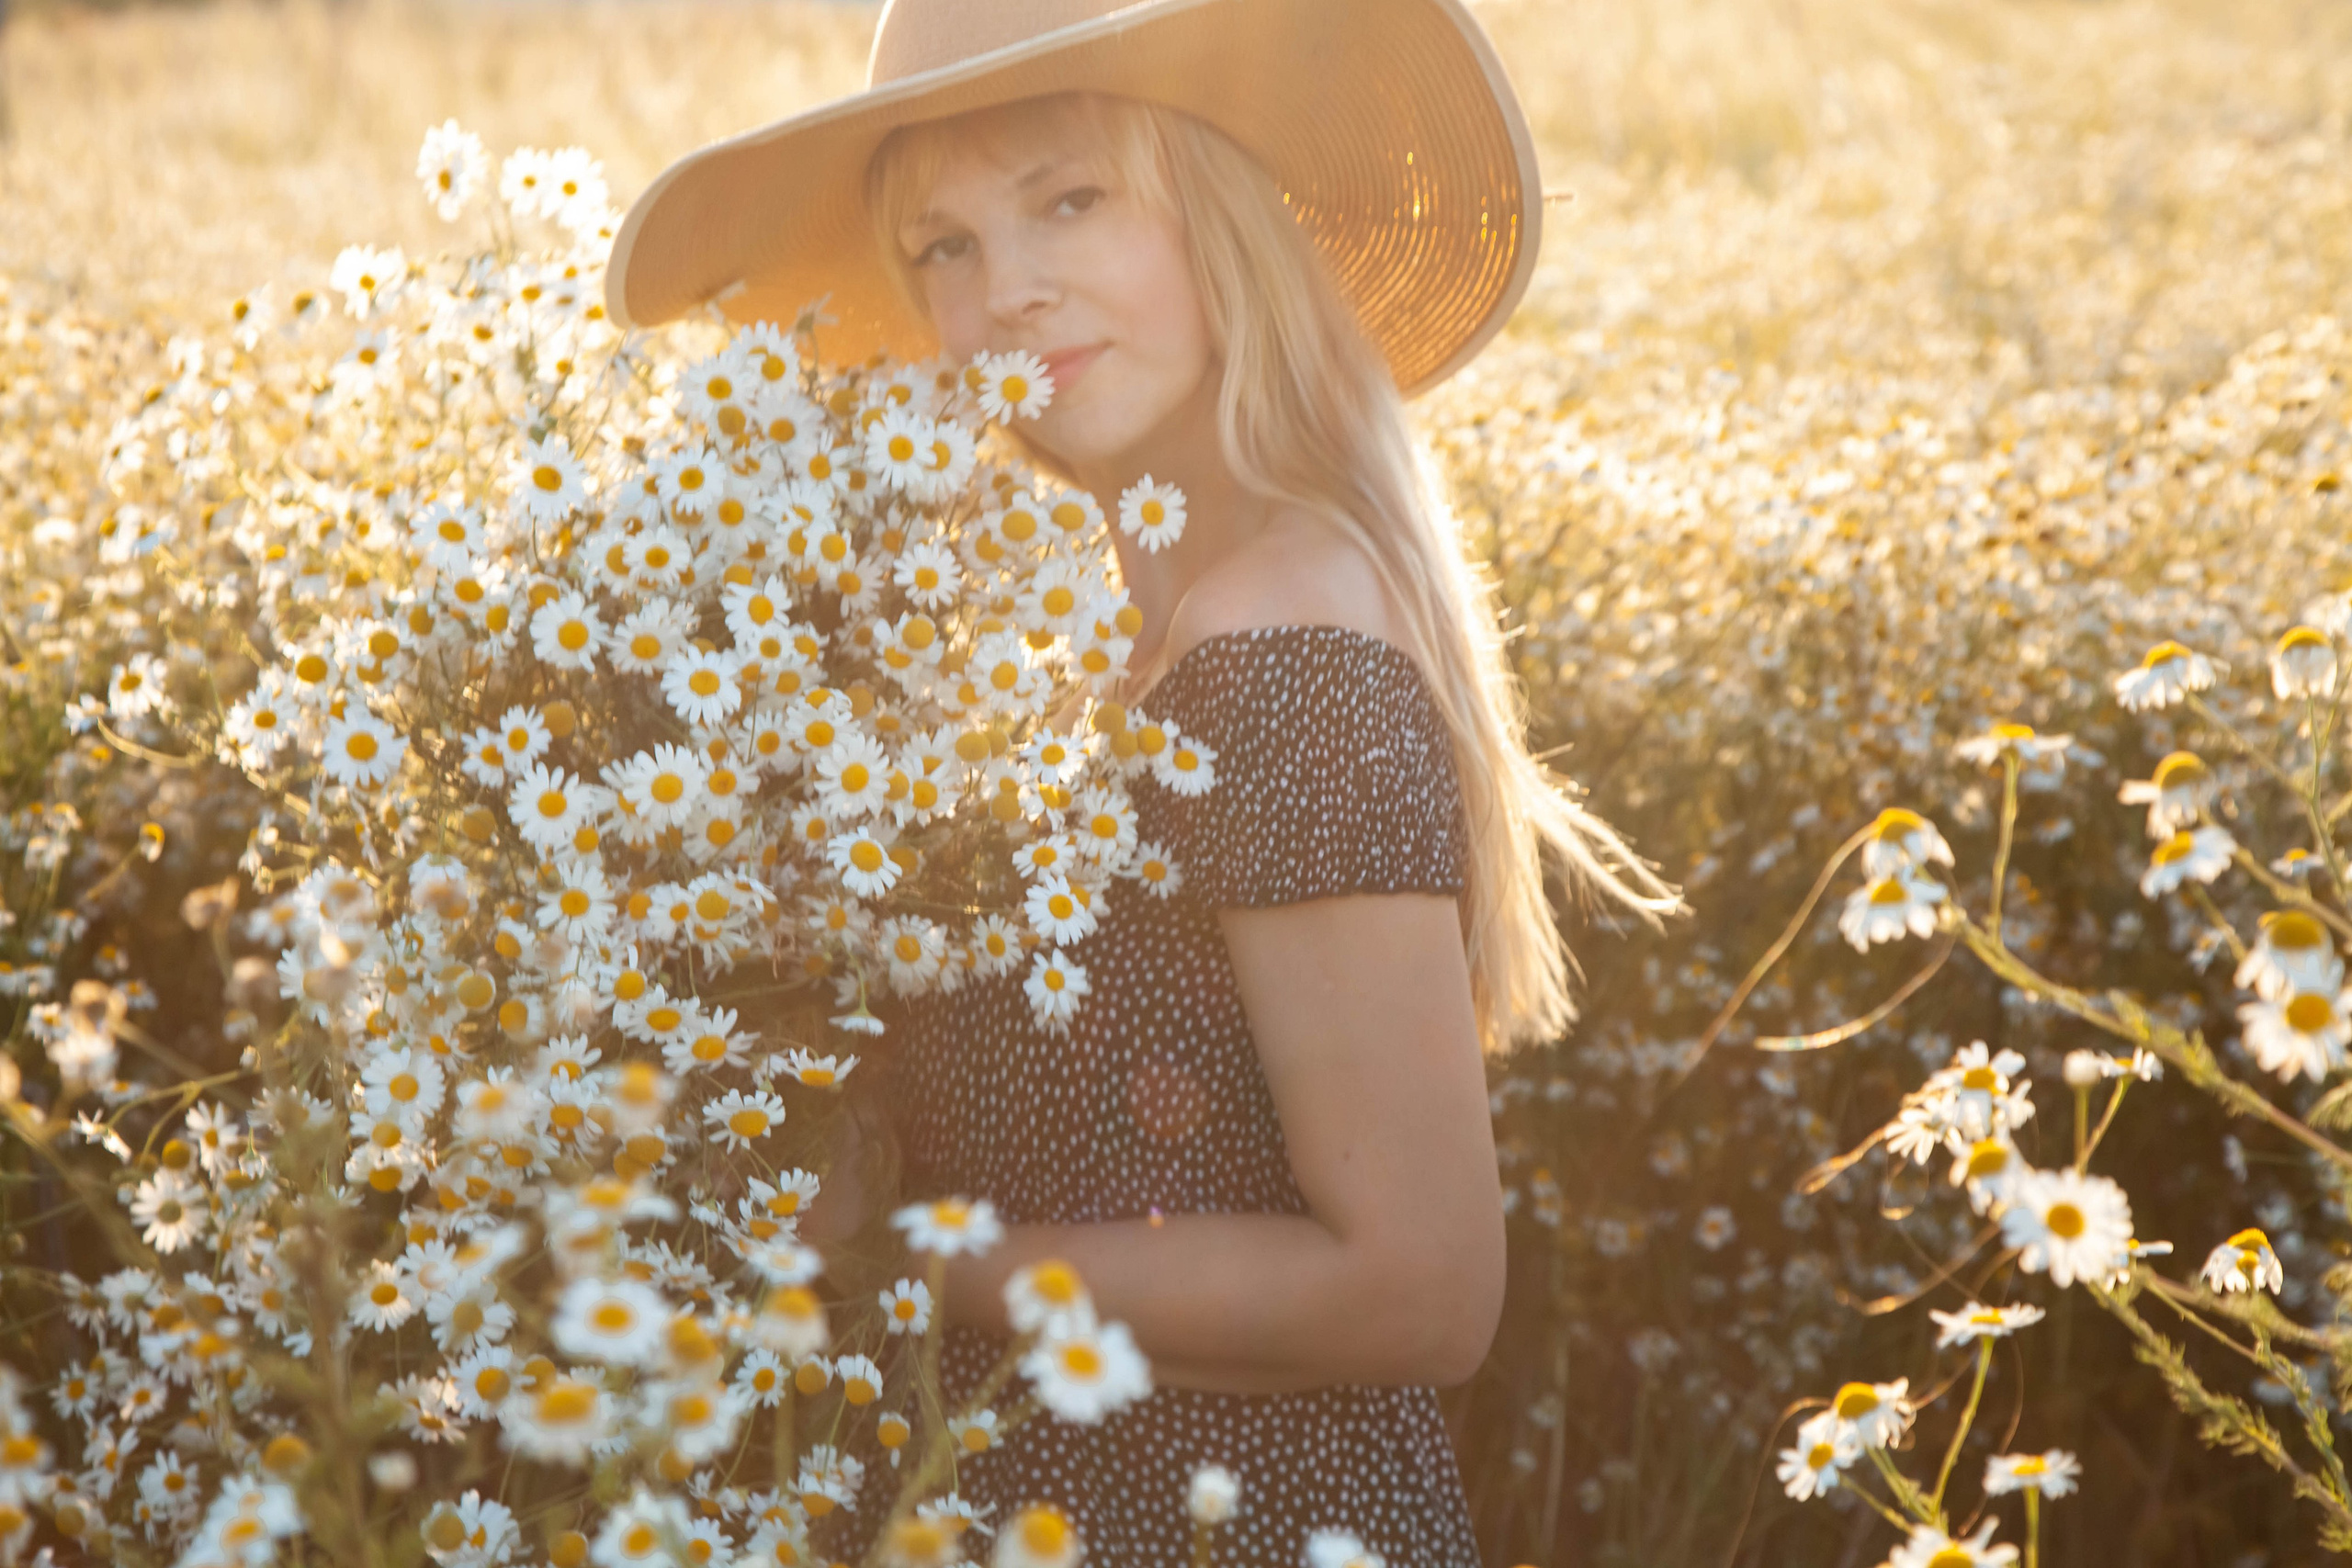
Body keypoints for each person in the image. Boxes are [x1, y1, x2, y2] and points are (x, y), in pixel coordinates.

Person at [605, 3, 1686, 1562]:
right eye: (943, 250)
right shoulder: (1107, 655)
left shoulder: (1279, 640)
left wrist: (913, 1267)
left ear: (1218, 206)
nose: (1005, 291)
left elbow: (1422, 1286)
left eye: (1067, 200)